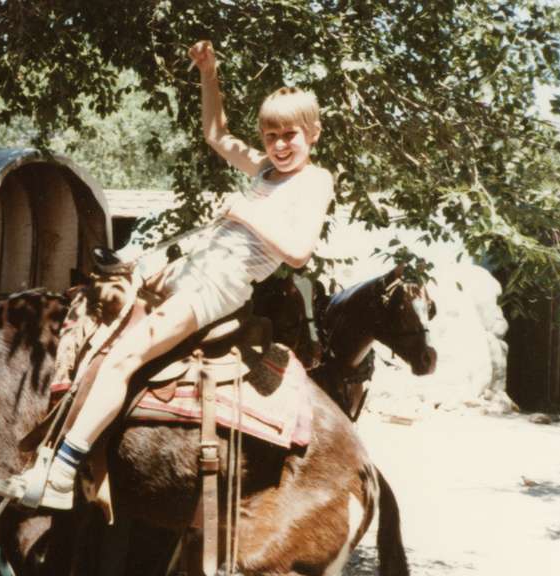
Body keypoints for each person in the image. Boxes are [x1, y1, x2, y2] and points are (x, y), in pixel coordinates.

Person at [18, 39, 335, 509]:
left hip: (220, 281)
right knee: (100, 317)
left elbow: (298, 253)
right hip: (192, 265)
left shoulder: (315, 180)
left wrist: (246, 215)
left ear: (313, 134)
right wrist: (209, 72)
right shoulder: (266, 170)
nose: (280, 145)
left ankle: (63, 471)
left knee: (127, 355)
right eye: (271, 136)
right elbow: (215, 134)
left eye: (291, 135)